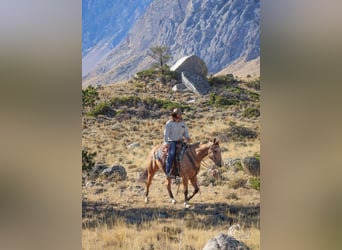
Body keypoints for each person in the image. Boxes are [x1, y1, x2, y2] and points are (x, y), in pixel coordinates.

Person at [163, 108, 191, 177]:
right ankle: (168, 171)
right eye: (179, 114)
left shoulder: (182, 123)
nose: (181, 115)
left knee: (189, 151)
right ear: (175, 115)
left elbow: (185, 132)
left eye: (181, 114)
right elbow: (166, 134)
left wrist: (187, 137)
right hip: (171, 141)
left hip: (180, 141)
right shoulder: (169, 123)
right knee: (171, 154)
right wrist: (166, 143)